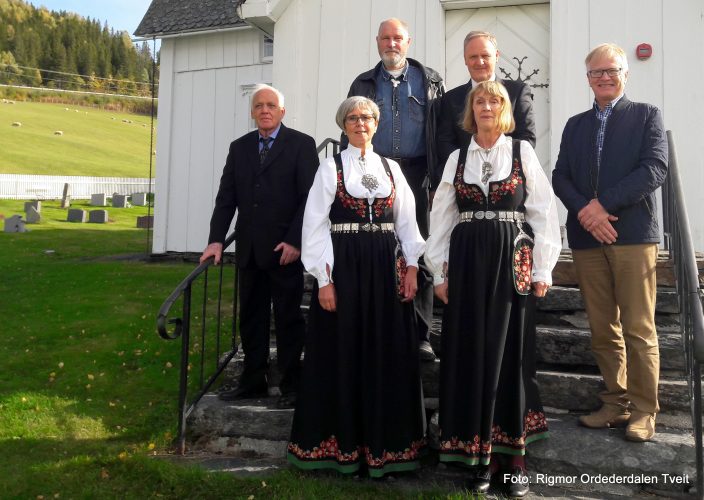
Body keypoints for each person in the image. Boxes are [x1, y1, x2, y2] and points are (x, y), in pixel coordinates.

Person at [426, 80, 560, 497]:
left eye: (495, 100)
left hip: (511, 263)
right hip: (466, 263)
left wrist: (543, 268)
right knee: (470, 352)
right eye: (479, 100)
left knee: (510, 357)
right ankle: (476, 455)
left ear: (505, 108)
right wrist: (440, 272)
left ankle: (513, 458)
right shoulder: (456, 157)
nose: (486, 106)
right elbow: (442, 215)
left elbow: (542, 210)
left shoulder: (522, 152)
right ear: (471, 109)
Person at [287, 96, 427, 477]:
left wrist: (413, 266)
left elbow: (407, 223)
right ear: (343, 125)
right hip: (345, 268)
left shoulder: (392, 169)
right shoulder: (329, 168)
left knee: (386, 351)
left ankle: (389, 447)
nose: (360, 123)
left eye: (366, 117)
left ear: (376, 124)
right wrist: (324, 279)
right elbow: (314, 226)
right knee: (342, 349)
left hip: (385, 267)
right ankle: (341, 446)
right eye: (352, 118)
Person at [552, 43, 668, 442]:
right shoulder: (575, 124)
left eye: (611, 70)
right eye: (595, 72)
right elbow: (560, 175)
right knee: (603, 328)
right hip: (587, 239)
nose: (604, 77)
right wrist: (587, 211)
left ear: (625, 74)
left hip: (632, 234)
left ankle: (644, 410)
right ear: (587, 79)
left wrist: (602, 206)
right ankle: (615, 403)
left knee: (638, 328)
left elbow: (654, 168)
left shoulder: (646, 115)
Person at [200, 84, 319, 409]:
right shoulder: (239, 148)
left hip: (285, 250)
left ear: (282, 111)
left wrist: (296, 240)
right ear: (252, 113)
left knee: (288, 318)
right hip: (250, 249)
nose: (264, 110)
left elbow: (309, 198)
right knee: (250, 318)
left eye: (271, 105)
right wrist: (215, 240)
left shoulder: (301, 144)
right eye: (259, 106)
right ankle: (253, 380)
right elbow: (226, 198)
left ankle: (292, 382)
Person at [345, 17, 444, 361]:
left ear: (408, 42)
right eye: (385, 38)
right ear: (377, 42)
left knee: (420, 250)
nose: (391, 44)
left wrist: (438, 177)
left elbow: (440, 133)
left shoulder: (429, 80)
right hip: (376, 170)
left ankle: (421, 335)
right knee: (378, 247)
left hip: (419, 174)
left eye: (397, 38)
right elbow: (352, 129)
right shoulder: (363, 82)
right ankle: (381, 327)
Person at [436, 30, 536, 169]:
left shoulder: (518, 92)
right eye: (473, 57)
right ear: (465, 59)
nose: (479, 62)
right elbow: (445, 143)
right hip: (465, 178)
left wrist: (498, 168)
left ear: (496, 56)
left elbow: (526, 138)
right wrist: (470, 168)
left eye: (485, 55)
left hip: (508, 175)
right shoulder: (450, 99)